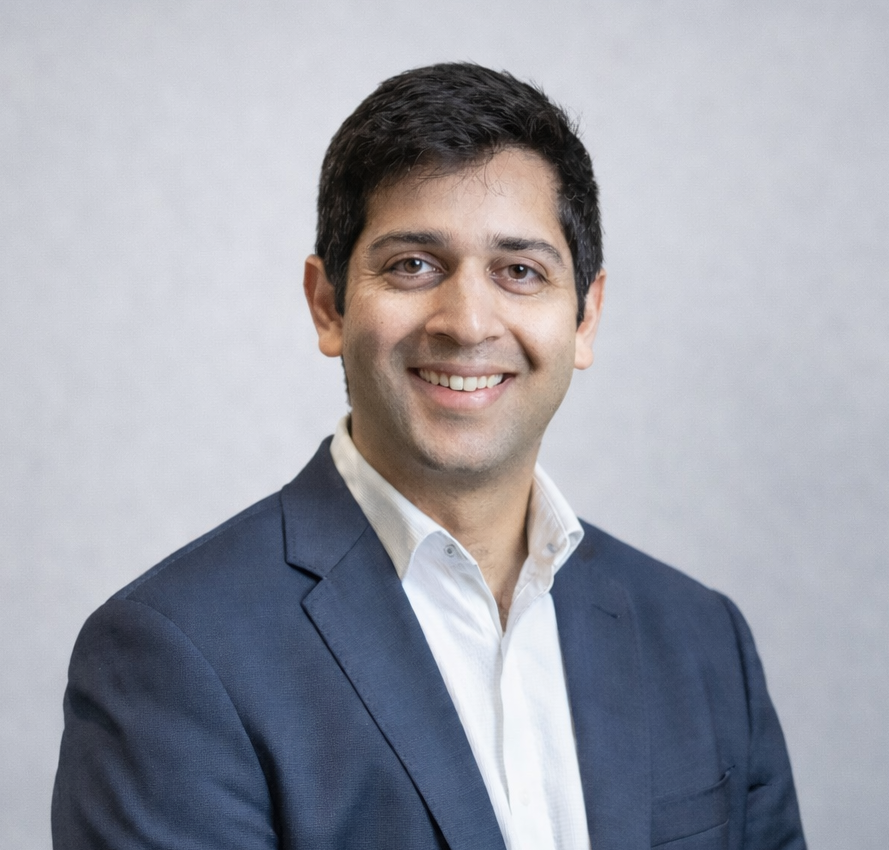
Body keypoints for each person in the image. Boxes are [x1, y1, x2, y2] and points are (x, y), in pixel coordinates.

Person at [52, 63, 806, 850]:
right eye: (413, 265)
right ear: (327, 304)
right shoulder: (173, 656)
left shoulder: (701, 640)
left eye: (520, 271)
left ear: (584, 317)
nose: (468, 321)